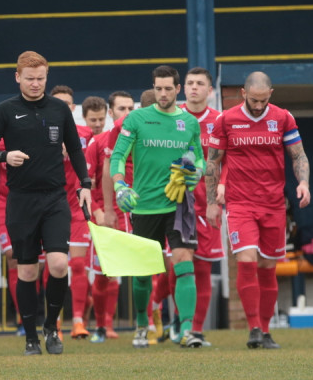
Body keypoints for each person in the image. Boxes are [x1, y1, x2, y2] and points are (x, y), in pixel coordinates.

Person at [0, 51, 91, 356]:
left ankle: (51, 327)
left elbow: (75, 149)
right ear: (18, 77)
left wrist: (85, 184)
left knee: (58, 265)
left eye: (40, 78)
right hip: (21, 201)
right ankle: (30, 337)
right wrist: (5, 156)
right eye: (29, 78)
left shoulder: (59, 109)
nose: (35, 84)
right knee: (27, 272)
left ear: (46, 77)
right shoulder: (4, 111)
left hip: (55, 198)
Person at [206, 71, 310, 349]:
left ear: (270, 95)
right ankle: (253, 327)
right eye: (254, 100)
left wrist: (304, 183)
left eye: (264, 100)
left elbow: (298, 154)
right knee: (247, 261)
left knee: (267, 268)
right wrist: (212, 203)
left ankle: (265, 331)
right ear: (243, 94)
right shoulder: (226, 120)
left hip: (274, 204)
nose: (259, 105)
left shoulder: (282, 117)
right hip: (240, 204)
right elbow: (212, 163)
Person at [109, 65, 204, 349]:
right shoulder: (136, 118)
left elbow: (198, 159)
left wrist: (193, 172)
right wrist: (120, 186)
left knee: (184, 263)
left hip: (178, 205)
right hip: (144, 205)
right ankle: (141, 323)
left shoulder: (189, 123)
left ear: (178, 89)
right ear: (153, 88)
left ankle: (187, 330)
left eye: (168, 89)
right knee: (142, 273)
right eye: (158, 88)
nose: (163, 94)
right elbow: (117, 157)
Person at [177, 67, 223, 346]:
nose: (194, 87)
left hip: (207, 205)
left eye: (200, 83)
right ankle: (177, 324)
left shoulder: (220, 121)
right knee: (177, 266)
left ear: (210, 90)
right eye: (190, 83)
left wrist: (217, 200)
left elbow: (225, 164)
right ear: (183, 88)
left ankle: (194, 330)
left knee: (203, 268)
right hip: (173, 203)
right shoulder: (173, 117)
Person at [85, 91, 135, 342]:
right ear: (111, 112)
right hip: (109, 213)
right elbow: (87, 183)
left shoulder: (142, 136)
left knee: (147, 269)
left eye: (130, 109)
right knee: (106, 272)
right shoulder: (100, 142)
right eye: (121, 109)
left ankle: (149, 324)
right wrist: (100, 211)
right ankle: (102, 326)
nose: (126, 114)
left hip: (138, 212)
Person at [53, 92, 100, 339]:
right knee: (54, 267)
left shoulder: (85, 134)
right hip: (51, 208)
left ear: (72, 107)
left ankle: (79, 322)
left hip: (78, 207)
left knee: (79, 264)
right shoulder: (40, 133)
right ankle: (56, 322)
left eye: (67, 103)